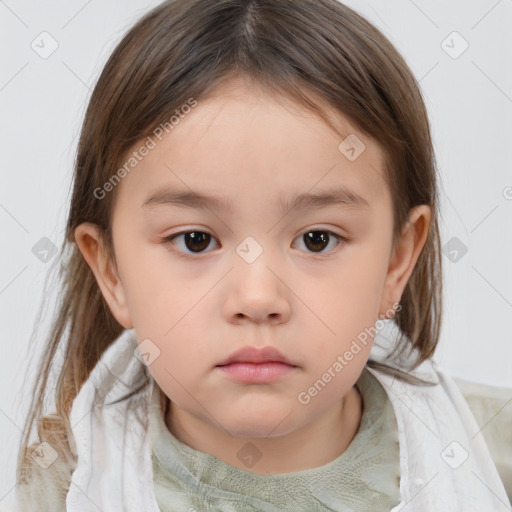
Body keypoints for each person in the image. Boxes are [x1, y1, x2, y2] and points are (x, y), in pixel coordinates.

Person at [15, 0, 512, 510]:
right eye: (195, 240)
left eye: (317, 239)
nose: (257, 298)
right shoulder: (59, 495)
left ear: (396, 261)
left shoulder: (492, 460)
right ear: (111, 271)